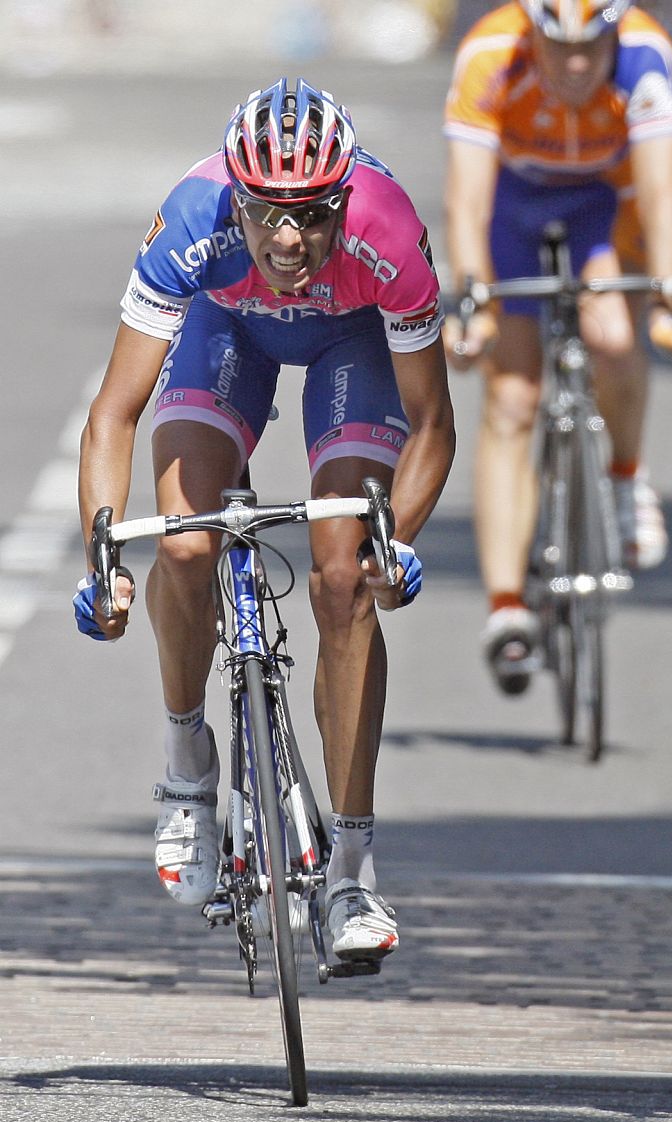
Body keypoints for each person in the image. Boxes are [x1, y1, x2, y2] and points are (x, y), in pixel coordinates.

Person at [74, 78, 455, 970]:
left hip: (349, 343)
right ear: (236, 200)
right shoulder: (191, 221)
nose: (290, 240)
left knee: (343, 579)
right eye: (268, 215)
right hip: (227, 333)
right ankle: (185, 772)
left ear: (345, 200)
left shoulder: (389, 233)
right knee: (184, 539)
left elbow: (433, 423)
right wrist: (101, 553)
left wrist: (396, 540)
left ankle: (353, 869)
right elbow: (113, 413)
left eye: (315, 216)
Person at [443, 0, 672, 696]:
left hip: (604, 207)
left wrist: (670, 295)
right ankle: (505, 608)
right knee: (512, 395)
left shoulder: (647, 54)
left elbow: (663, 190)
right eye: (560, 49)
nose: (578, 66)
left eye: (594, 47)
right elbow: (467, 202)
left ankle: (624, 477)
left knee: (614, 335)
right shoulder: (491, 54)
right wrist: (470, 300)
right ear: (533, 35)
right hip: (513, 206)